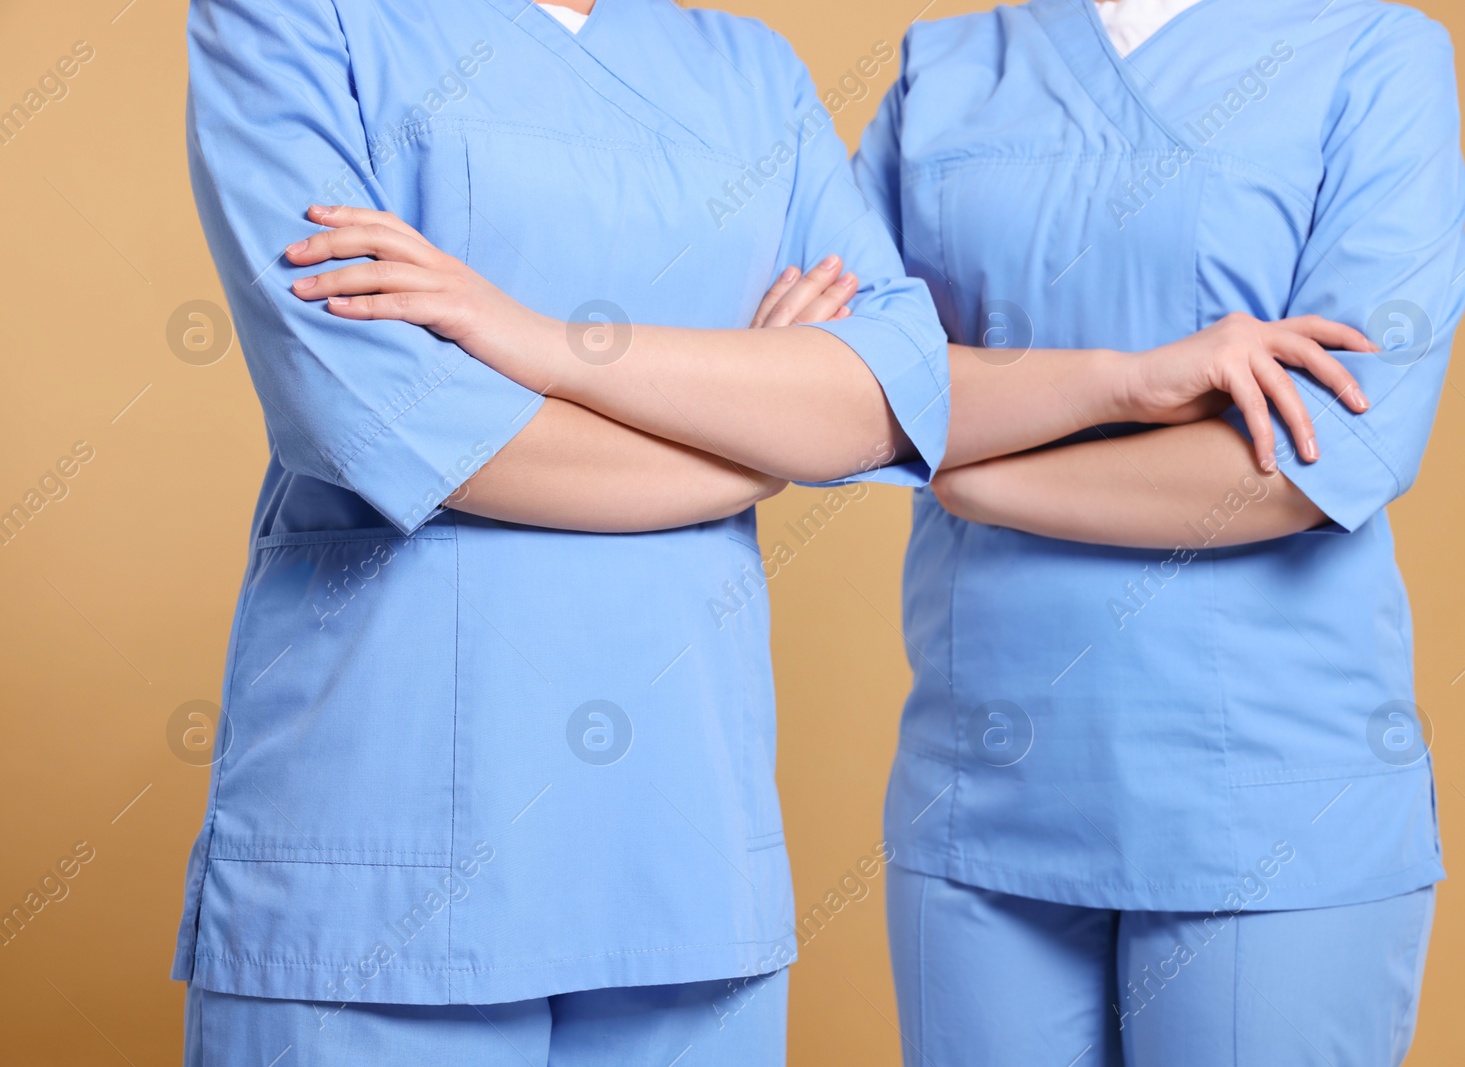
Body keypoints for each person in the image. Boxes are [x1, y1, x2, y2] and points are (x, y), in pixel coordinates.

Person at [174, 0, 950, 1062]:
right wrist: (763, 436)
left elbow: (895, 384)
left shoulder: (752, 73)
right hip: (384, 843)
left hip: (680, 844)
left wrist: (536, 343)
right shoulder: (302, 19)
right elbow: (378, 415)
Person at [843, 0, 1465, 1063]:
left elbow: (1318, 457)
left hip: (1267, 801)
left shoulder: (1371, 51)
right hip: (980, 787)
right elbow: (839, 382)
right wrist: (1128, 391)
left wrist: (967, 473)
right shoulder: (943, 66)